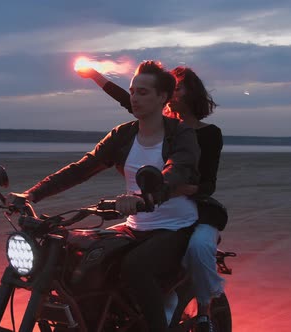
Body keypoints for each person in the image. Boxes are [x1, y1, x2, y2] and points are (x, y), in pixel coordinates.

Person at [10, 60, 200, 332]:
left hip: (174, 227)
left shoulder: (180, 134)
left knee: (136, 267)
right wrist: (31, 194)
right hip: (135, 226)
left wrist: (148, 196)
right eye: (133, 91)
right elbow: (82, 168)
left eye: (143, 92)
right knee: (76, 256)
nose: (134, 97)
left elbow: (177, 170)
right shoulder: (124, 135)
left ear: (163, 98)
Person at [78, 65, 227, 332]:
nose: (173, 92)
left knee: (199, 249)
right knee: (100, 248)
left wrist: (176, 189)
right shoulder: (163, 127)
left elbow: (208, 184)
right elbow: (127, 99)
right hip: (151, 209)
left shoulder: (208, 133)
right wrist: (96, 77)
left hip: (195, 209)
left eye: (178, 87)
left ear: (191, 93)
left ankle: (204, 312)